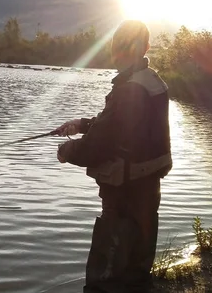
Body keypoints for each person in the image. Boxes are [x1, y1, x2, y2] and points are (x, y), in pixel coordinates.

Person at [55, 20, 172, 292]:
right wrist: (82, 123)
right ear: (147, 46)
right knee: (137, 271)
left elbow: (98, 145)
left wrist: (67, 151)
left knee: (105, 275)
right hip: (148, 188)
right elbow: (123, 125)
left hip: (123, 195)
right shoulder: (152, 81)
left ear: (117, 49)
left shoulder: (129, 88)